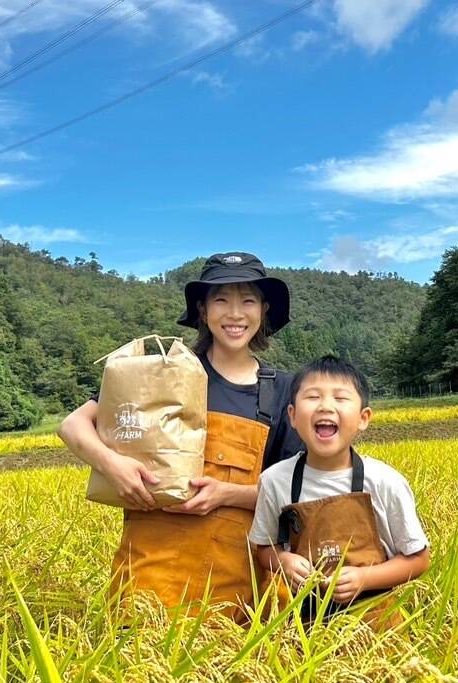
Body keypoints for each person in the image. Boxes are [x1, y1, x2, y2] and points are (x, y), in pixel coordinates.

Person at [59, 252, 303, 617]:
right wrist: (113, 465)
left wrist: (226, 494)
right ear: (203, 311)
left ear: (264, 310)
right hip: (148, 583)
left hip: (240, 588)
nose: (235, 313)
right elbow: (72, 425)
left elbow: (296, 495)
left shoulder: (284, 391)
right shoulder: (165, 372)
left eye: (247, 300)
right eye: (221, 299)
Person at [250, 355, 429, 622]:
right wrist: (283, 562)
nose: (326, 406)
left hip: (376, 630)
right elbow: (264, 548)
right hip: (303, 628)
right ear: (293, 416)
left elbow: (419, 559)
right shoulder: (275, 480)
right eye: (313, 397)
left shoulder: (384, 482)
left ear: (363, 418)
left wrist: (364, 578)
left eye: (340, 398)